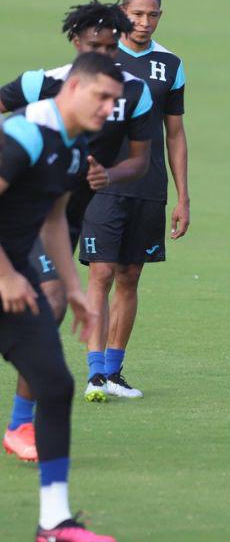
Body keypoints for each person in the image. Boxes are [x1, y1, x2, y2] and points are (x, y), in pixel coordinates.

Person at [1, 0, 152, 457]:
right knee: (46, 300)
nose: (106, 56)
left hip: (63, 216)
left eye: (112, 47)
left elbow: (140, 161)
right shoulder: (42, 85)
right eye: (95, 46)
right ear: (76, 43)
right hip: (24, 211)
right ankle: (23, 426)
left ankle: (21, 426)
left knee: (53, 303)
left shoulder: (132, 92)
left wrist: (109, 176)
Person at [0, 52, 121, 541]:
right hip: (7, 275)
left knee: (54, 384)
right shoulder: (24, 134)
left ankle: (54, 521)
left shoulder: (76, 145)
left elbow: (53, 218)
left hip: (15, 277)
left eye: (115, 100)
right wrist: (6, 273)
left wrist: (73, 289)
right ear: (72, 88)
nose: (110, 108)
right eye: (102, 96)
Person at [79, 0, 190, 400]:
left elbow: (175, 134)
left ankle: (113, 370)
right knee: (101, 272)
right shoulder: (100, 57)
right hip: (101, 182)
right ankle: (93, 373)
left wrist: (183, 196)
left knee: (129, 275)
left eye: (153, 14)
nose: (145, 23)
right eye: (138, 14)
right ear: (122, 12)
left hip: (149, 185)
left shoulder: (171, 65)